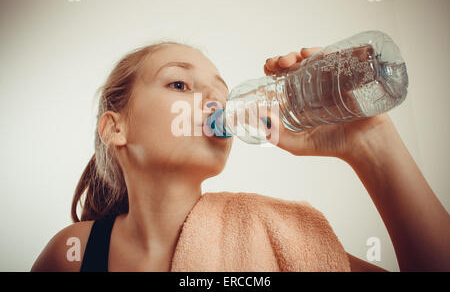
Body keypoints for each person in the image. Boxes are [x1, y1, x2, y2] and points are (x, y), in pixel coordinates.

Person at [30, 43, 450, 272]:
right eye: (180, 84)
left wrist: (370, 144)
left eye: (222, 90)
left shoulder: (277, 234)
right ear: (115, 128)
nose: (216, 99)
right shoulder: (72, 255)